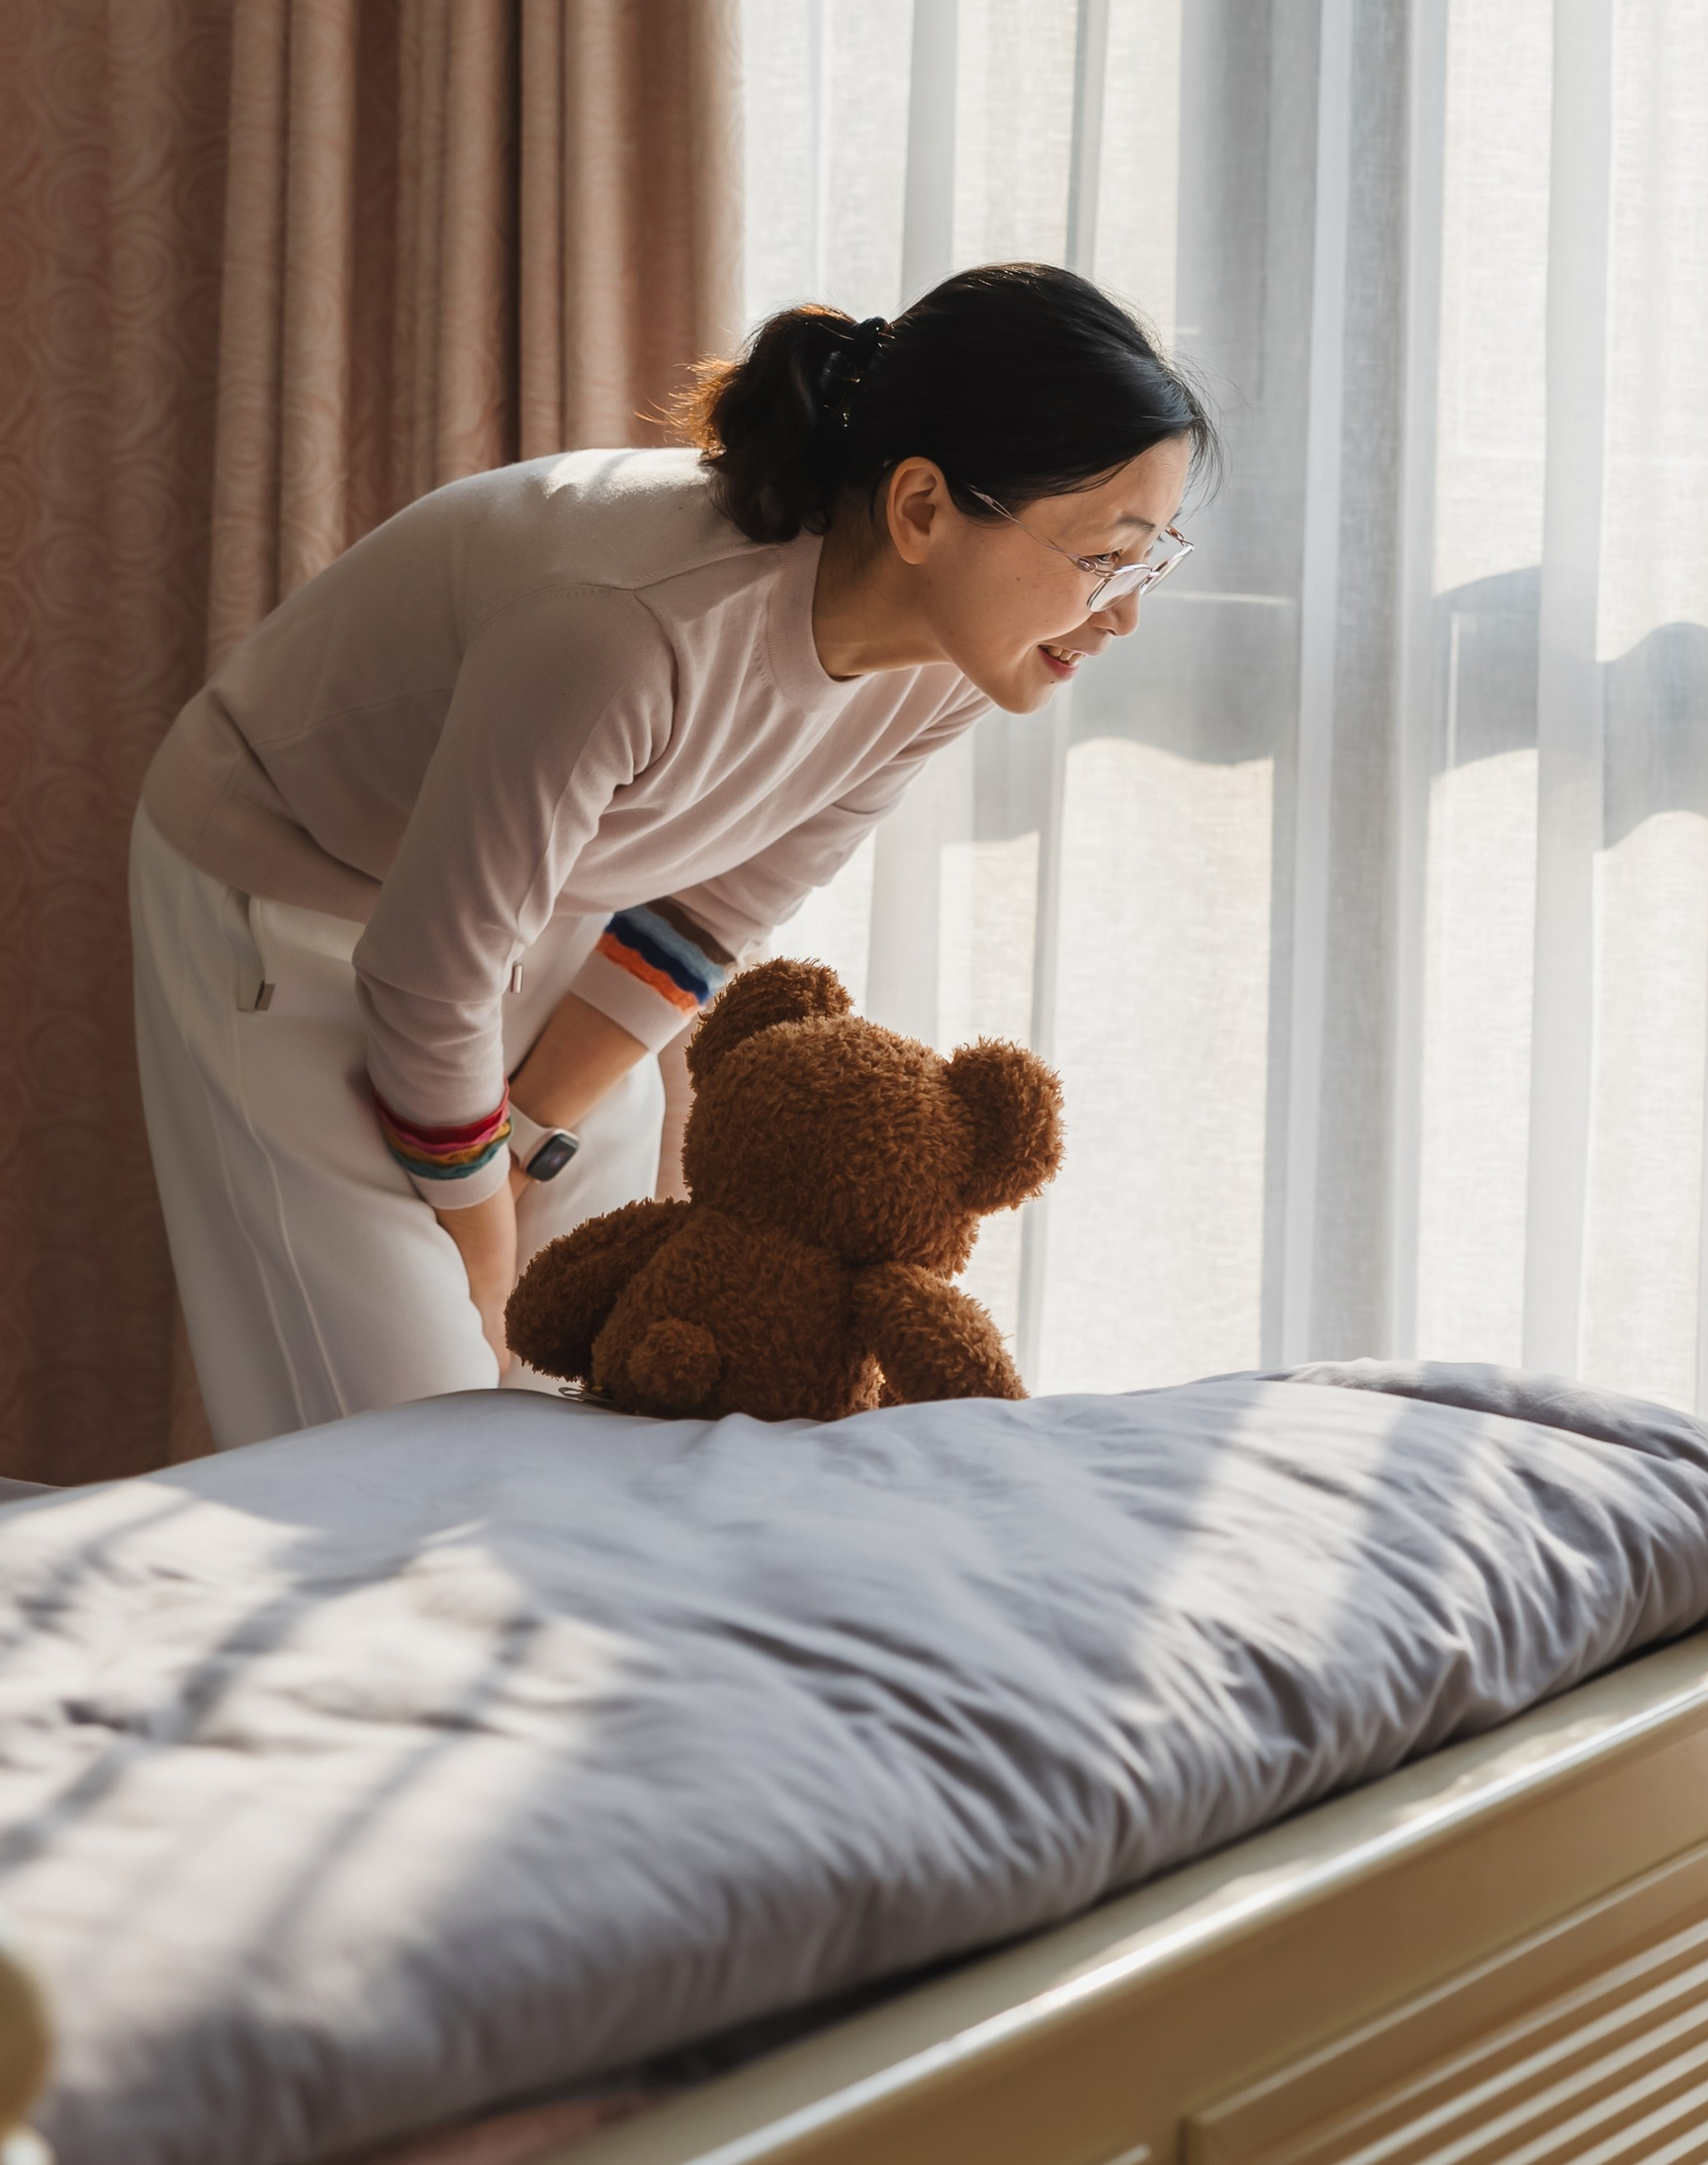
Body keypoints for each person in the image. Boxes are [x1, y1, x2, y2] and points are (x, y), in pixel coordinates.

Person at [132, 267, 1214, 1446]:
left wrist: (532, 1136)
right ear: (919, 507)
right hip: (293, 890)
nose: (1122, 616)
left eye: (1151, 557)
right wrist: (480, 1232)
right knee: (405, 1422)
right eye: (1104, 556)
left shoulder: (958, 660)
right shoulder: (624, 624)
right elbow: (426, 971)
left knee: (584, 1383)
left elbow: (717, 905)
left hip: (545, 904)